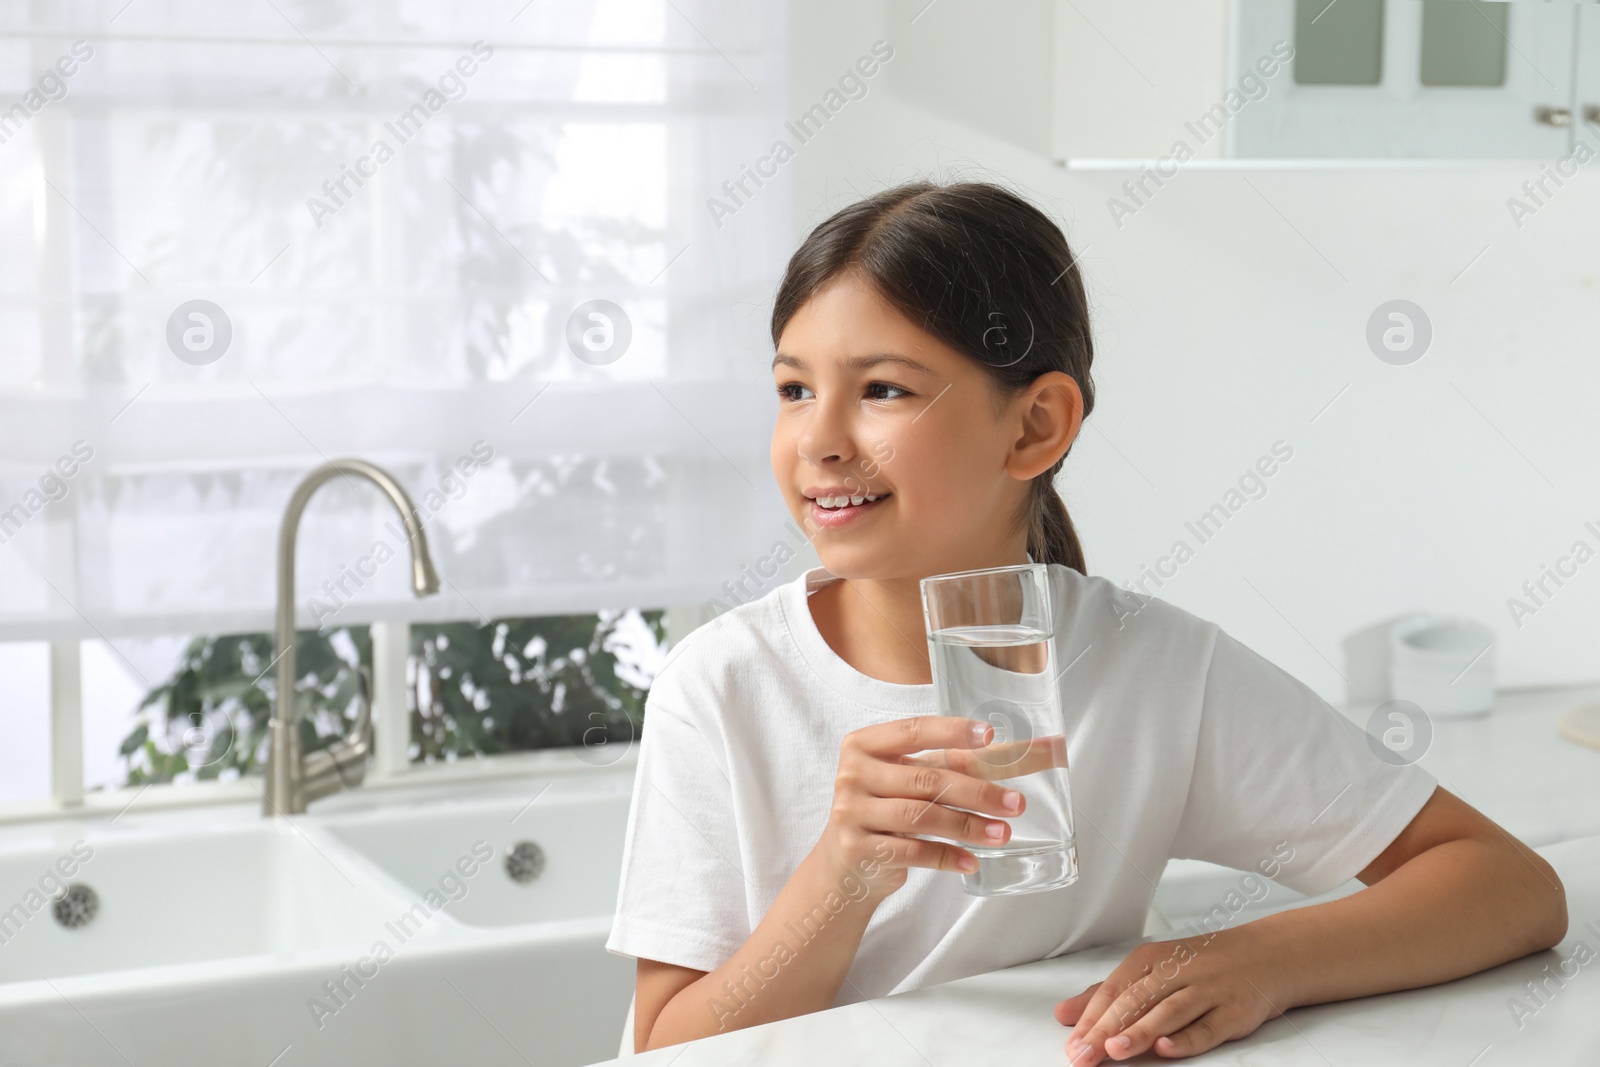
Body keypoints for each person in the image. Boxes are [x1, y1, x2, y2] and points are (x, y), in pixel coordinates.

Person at [604, 180, 1567, 1061]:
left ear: (1035, 425)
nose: (818, 439)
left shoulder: (1149, 666)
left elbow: (1508, 886)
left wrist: (1264, 959)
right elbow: (668, 1045)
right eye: (794, 389)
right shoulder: (723, 683)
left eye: (883, 389)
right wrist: (842, 876)